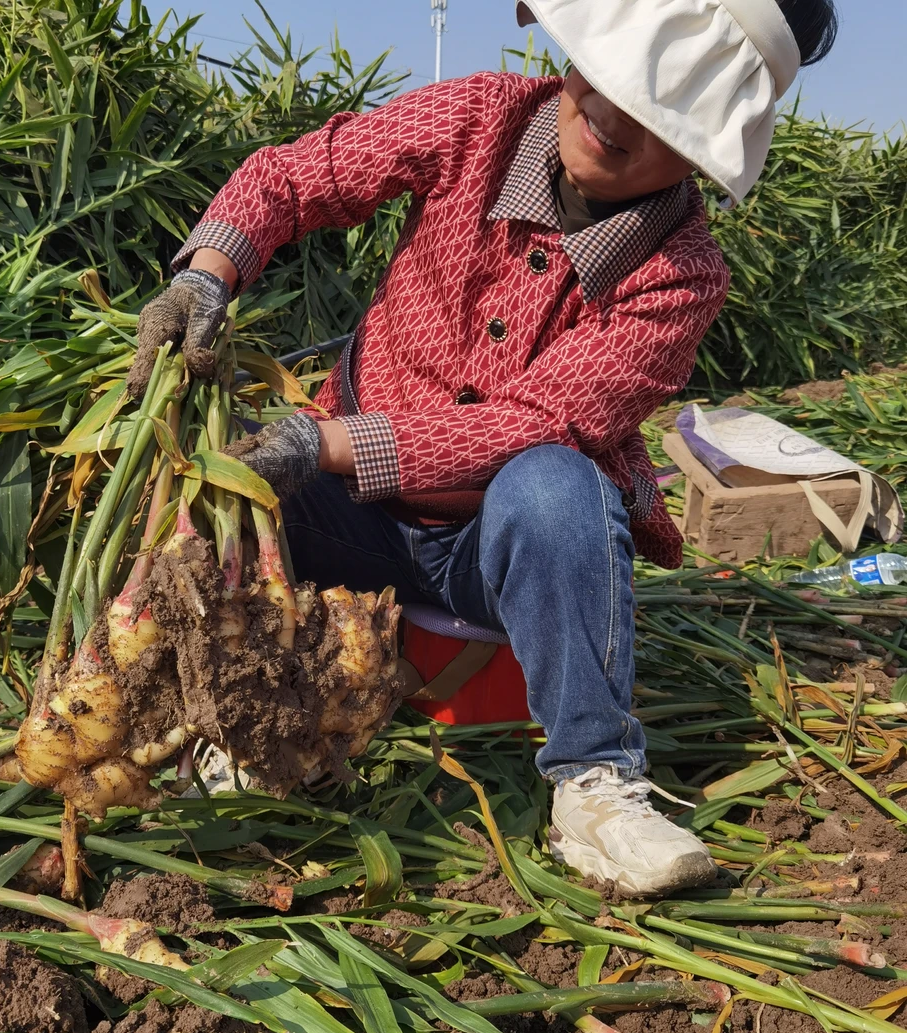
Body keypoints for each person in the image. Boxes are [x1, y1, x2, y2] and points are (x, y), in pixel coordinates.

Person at [129, 0, 838, 897]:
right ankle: (234, 719)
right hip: (356, 519)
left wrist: (327, 442)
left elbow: (535, 424)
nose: (613, 114)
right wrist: (208, 271)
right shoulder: (481, 118)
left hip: (493, 553)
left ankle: (596, 784)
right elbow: (303, 174)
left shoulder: (680, 277)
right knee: (213, 472)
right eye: (607, 77)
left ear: (702, 145)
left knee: (555, 483)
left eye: (657, 113)